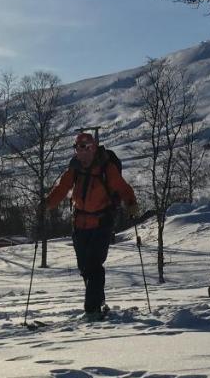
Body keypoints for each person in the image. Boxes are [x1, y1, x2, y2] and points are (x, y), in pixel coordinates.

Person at [44, 131, 139, 320]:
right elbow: (62, 189)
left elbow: (121, 187)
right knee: (85, 268)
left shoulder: (106, 168)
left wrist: (131, 203)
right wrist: (47, 204)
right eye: (78, 148)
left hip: (102, 223)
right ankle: (99, 302)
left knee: (94, 266)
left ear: (93, 148)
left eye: (85, 147)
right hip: (79, 224)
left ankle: (92, 309)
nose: (81, 152)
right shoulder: (74, 168)